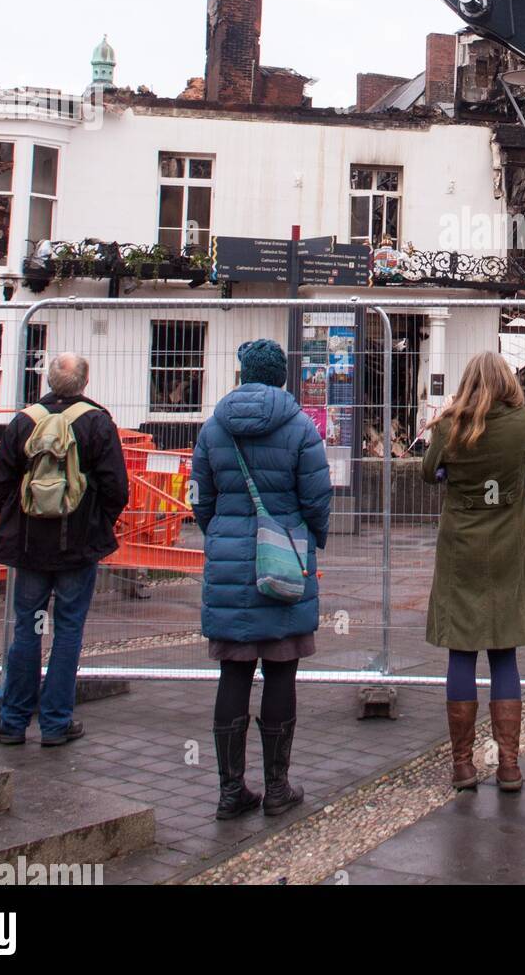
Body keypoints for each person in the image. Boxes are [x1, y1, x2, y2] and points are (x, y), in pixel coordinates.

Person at [192, 339, 331, 820]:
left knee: (232, 670)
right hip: (284, 558)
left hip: (230, 559)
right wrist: (312, 536)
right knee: (281, 666)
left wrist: (222, 532)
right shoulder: (300, 428)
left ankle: (231, 791)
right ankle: (277, 787)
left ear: (243, 373)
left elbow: (201, 499)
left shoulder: (213, 428)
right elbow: (317, 498)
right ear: (281, 377)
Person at [0, 352, 129, 747]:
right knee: (68, 630)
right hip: (77, 544)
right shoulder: (97, 422)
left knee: (27, 628)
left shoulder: (24, 420)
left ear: (48, 380)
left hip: (30, 544)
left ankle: (12, 721)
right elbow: (116, 487)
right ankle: (55, 722)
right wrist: (99, 522)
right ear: (85, 382)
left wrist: (16, 519)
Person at [423, 351, 525, 793]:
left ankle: (462, 765)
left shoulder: (448, 424)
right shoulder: (523, 423)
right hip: (509, 543)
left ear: (468, 381)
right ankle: (509, 765)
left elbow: (425, 471)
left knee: (461, 650)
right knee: (504, 650)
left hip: (461, 546)